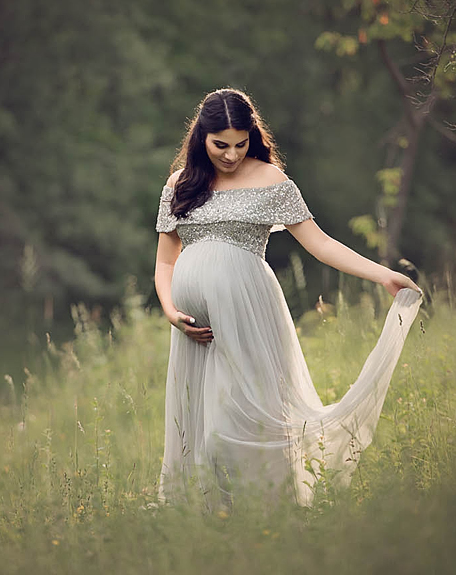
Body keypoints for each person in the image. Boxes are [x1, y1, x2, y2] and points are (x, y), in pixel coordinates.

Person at [154, 87, 424, 511]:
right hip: (194, 329)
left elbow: (321, 244)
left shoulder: (271, 180)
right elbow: (166, 263)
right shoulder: (180, 184)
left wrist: (383, 274)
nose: (231, 154)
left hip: (248, 315)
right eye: (220, 144)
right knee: (201, 424)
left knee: (235, 423)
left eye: (240, 144)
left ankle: (269, 511)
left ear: (252, 136)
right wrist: (171, 311)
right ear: (200, 138)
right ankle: (211, 520)